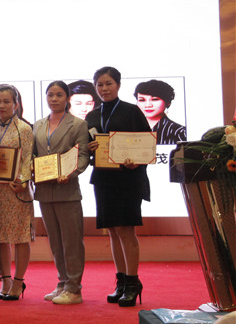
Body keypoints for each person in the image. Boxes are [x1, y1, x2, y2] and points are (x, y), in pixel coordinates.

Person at [86, 66, 151, 307]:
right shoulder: (92, 116)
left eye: (109, 84)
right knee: (112, 231)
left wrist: (138, 161)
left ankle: (133, 282)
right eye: (100, 85)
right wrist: (90, 149)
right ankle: (121, 281)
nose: (104, 89)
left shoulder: (132, 111)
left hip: (128, 179)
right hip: (103, 179)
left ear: (118, 85)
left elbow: (147, 145)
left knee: (126, 230)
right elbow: (87, 147)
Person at [33, 81, 90, 305]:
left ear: (67, 98)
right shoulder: (38, 125)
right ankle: (63, 283)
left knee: (71, 241)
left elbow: (83, 155)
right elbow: (32, 155)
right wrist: (31, 169)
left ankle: (74, 288)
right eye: (50, 95)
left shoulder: (78, 124)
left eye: (59, 95)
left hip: (67, 189)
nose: (54, 99)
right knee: (56, 242)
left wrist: (72, 172)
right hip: (44, 190)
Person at [0, 85, 34, 301]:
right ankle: (5, 280)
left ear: (16, 104)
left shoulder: (24, 129)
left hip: (17, 191)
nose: (2, 105)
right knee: (0, 238)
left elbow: (28, 159)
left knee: (20, 237)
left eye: (7, 101)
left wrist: (23, 181)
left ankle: (18, 281)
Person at [133, 79, 186, 145]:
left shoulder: (179, 132)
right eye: (142, 100)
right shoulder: (129, 128)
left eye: (155, 99)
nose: (148, 105)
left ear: (168, 102)